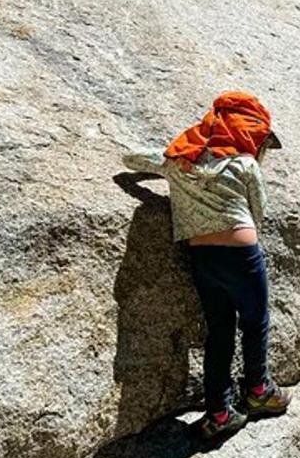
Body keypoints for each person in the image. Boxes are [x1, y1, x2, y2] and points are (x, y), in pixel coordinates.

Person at [122, 91, 290, 440]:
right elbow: (258, 213)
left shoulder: (181, 160)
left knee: (219, 333)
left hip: (203, 258)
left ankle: (219, 413)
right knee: (255, 323)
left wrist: (169, 167)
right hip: (242, 256)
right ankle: (258, 391)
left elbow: (132, 158)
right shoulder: (244, 165)